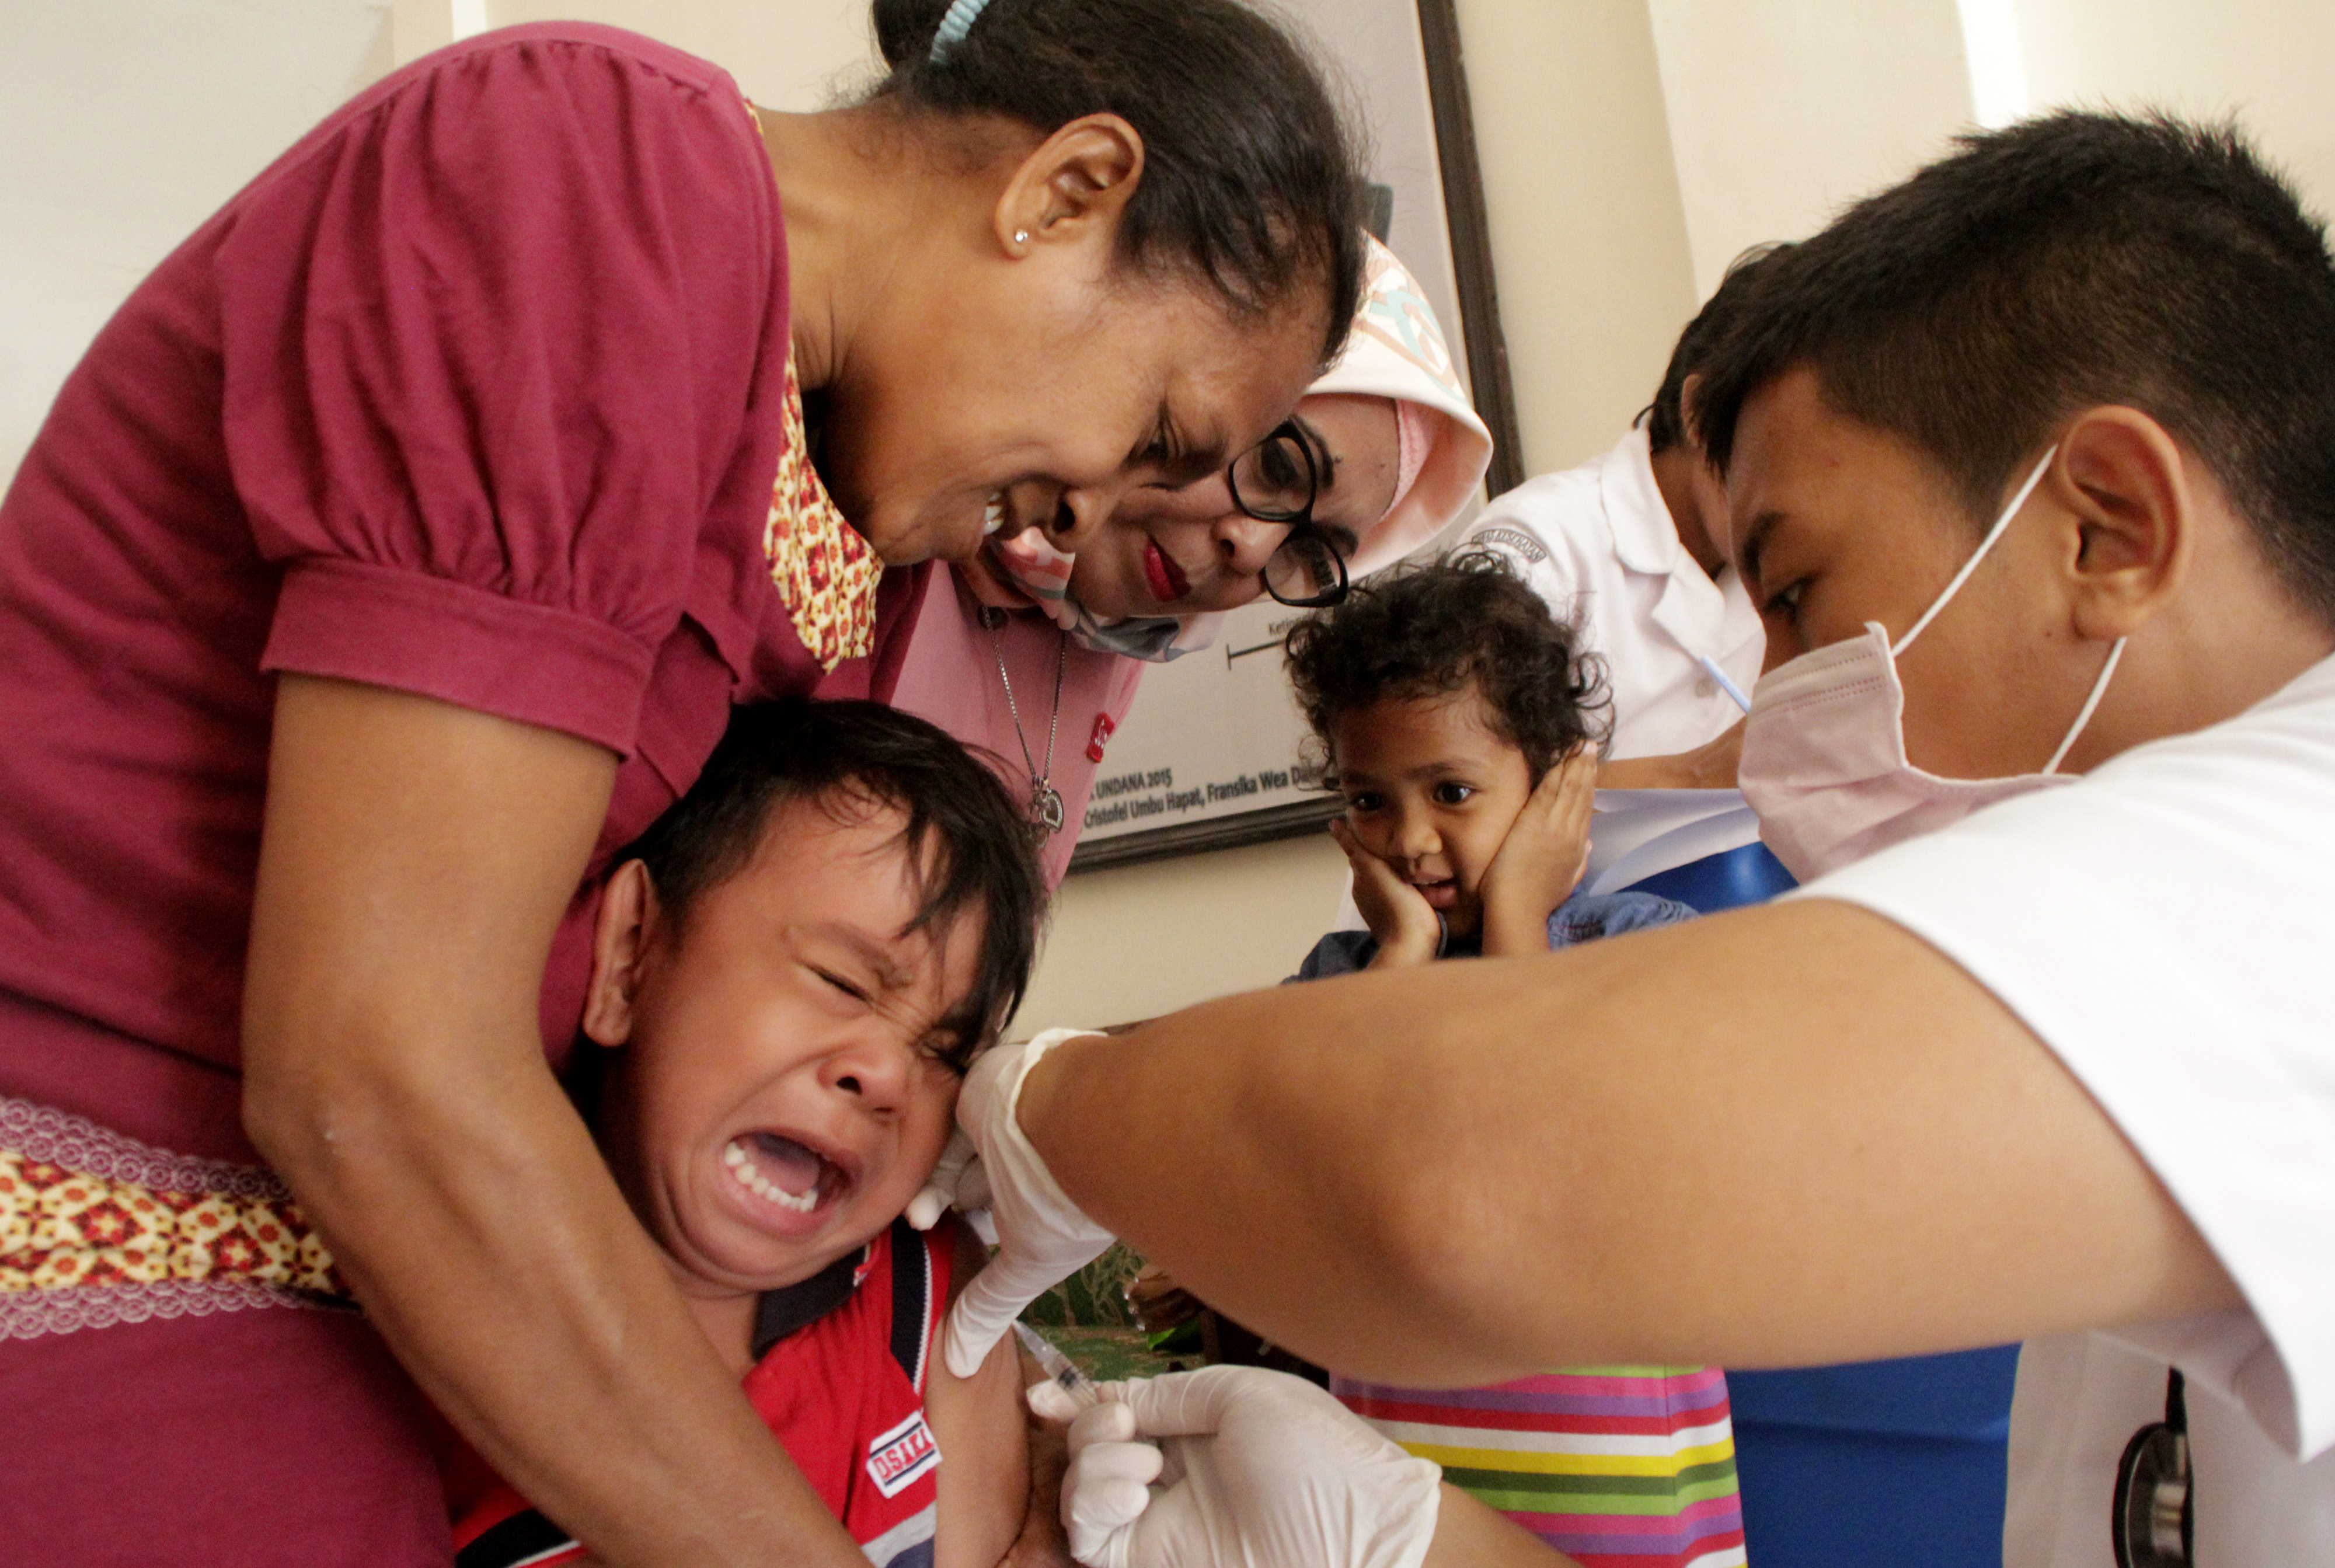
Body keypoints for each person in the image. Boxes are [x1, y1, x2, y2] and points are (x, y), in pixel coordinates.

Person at [0, 1, 1367, 1560]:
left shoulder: (862, 533)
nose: (1093, 509)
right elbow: (381, 1072)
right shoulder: (586, 174)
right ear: (1064, 193)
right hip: (91, 1199)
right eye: (1156, 430)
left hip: (372, 1277)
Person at [946, 111, 2335, 1568]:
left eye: (1791, 591)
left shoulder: (2283, 871)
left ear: (2106, 527)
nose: (1773, 689)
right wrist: (1419, 1537)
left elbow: (1466, 1175)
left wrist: (1048, 1105)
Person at [449, 699, 1043, 1568]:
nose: (887, 1075)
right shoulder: (439, 1347)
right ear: (631, 954)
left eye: (944, 1053)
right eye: (841, 981)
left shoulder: (926, 1305)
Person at [1278, 554, 1739, 1568]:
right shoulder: (1341, 985)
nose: (1410, 840)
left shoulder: (1640, 946)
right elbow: (1322, 1185)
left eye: (1451, 791)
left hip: (1622, 1492)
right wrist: (1401, 963)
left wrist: (1521, 912)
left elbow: (1550, 1137)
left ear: (1554, 782)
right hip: (1406, 1493)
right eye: (1369, 800)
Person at [883, 236, 1494, 886]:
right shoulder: (882, 482)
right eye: (1277, 466)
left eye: (1310, 554)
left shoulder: (1110, 637)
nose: (1253, 550)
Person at [1463, 249, 1787, 789]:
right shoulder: (1538, 546)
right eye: (1787, 446)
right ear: (1699, 414)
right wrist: (1697, 772)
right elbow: (1466, 792)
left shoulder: (1797, 556)